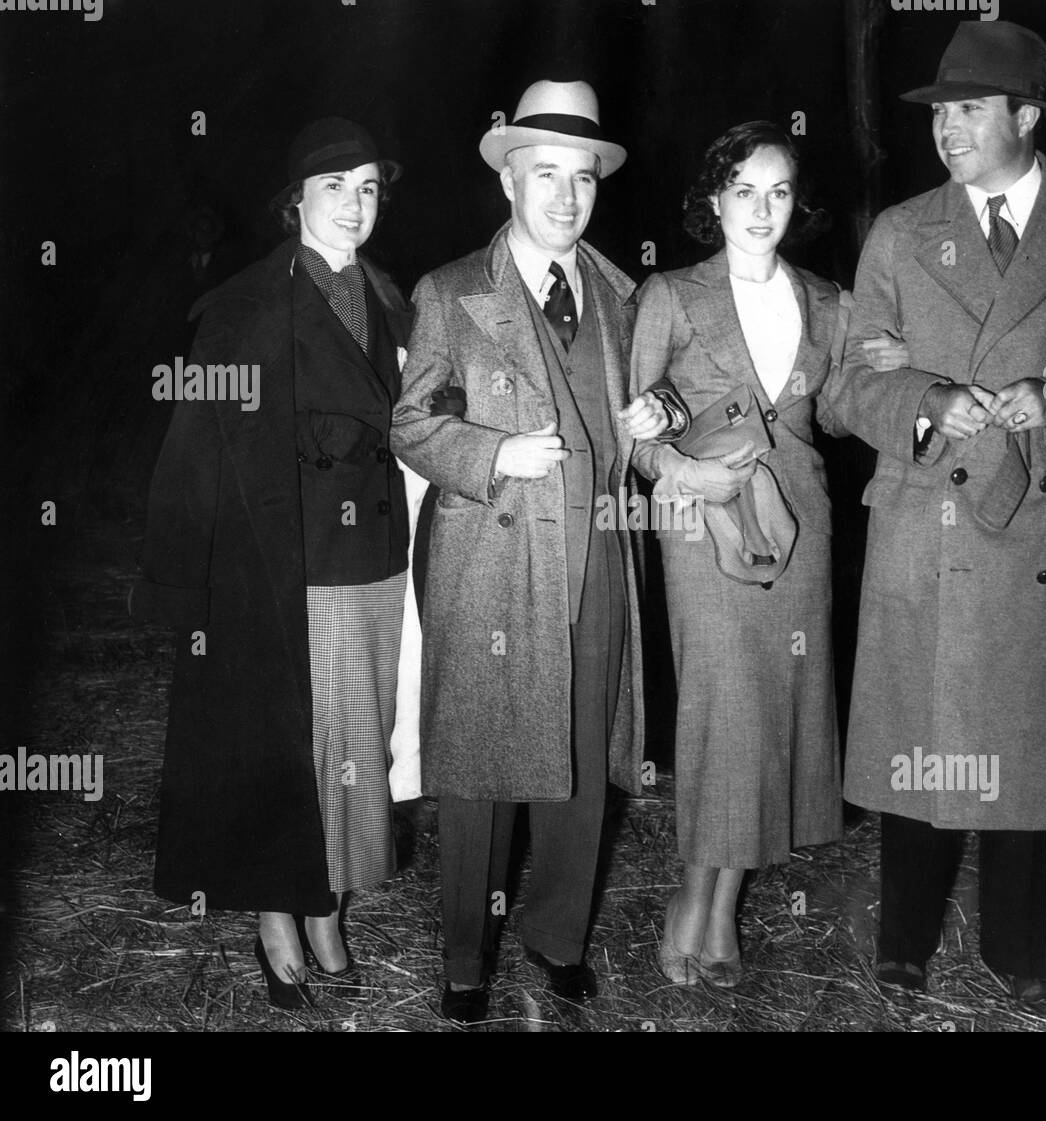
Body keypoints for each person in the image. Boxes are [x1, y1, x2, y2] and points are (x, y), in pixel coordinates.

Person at [829, 21, 1046, 1017]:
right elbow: (853, 380)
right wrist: (927, 401)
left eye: (970, 109)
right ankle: (901, 947)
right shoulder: (900, 232)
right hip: (926, 519)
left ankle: (1019, 954)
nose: (946, 129)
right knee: (924, 749)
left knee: (1035, 756)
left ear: (1027, 116)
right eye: (939, 112)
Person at [390, 79, 686, 1024]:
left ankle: (557, 934)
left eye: (583, 177)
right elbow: (409, 421)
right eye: (545, 174)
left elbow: (648, 430)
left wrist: (660, 417)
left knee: (582, 758)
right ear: (509, 182)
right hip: (493, 566)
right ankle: (466, 959)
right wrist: (490, 453)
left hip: (599, 562)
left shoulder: (623, 294)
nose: (567, 196)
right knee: (482, 769)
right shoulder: (449, 292)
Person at [133, 118, 412, 1009]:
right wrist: (181, 581)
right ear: (295, 201)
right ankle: (279, 912)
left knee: (356, 744)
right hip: (290, 559)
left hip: (377, 555)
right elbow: (193, 449)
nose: (355, 205)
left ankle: (325, 900)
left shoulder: (391, 296)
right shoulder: (245, 304)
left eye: (369, 187)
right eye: (335, 186)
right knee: (290, 743)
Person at [630, 121, 856, 986]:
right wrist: (680, 466)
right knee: (722, 710)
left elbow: (839, 410)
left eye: (780, 191)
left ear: (797, 204)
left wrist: (906, 384)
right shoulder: (671, 296)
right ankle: (693, 895)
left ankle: (722, 912)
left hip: (800, 523)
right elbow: (638, 431)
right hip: (704, 524)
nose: (762, 209)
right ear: (714, 201)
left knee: (776, 713)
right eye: (744, 190)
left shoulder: (829, 302)